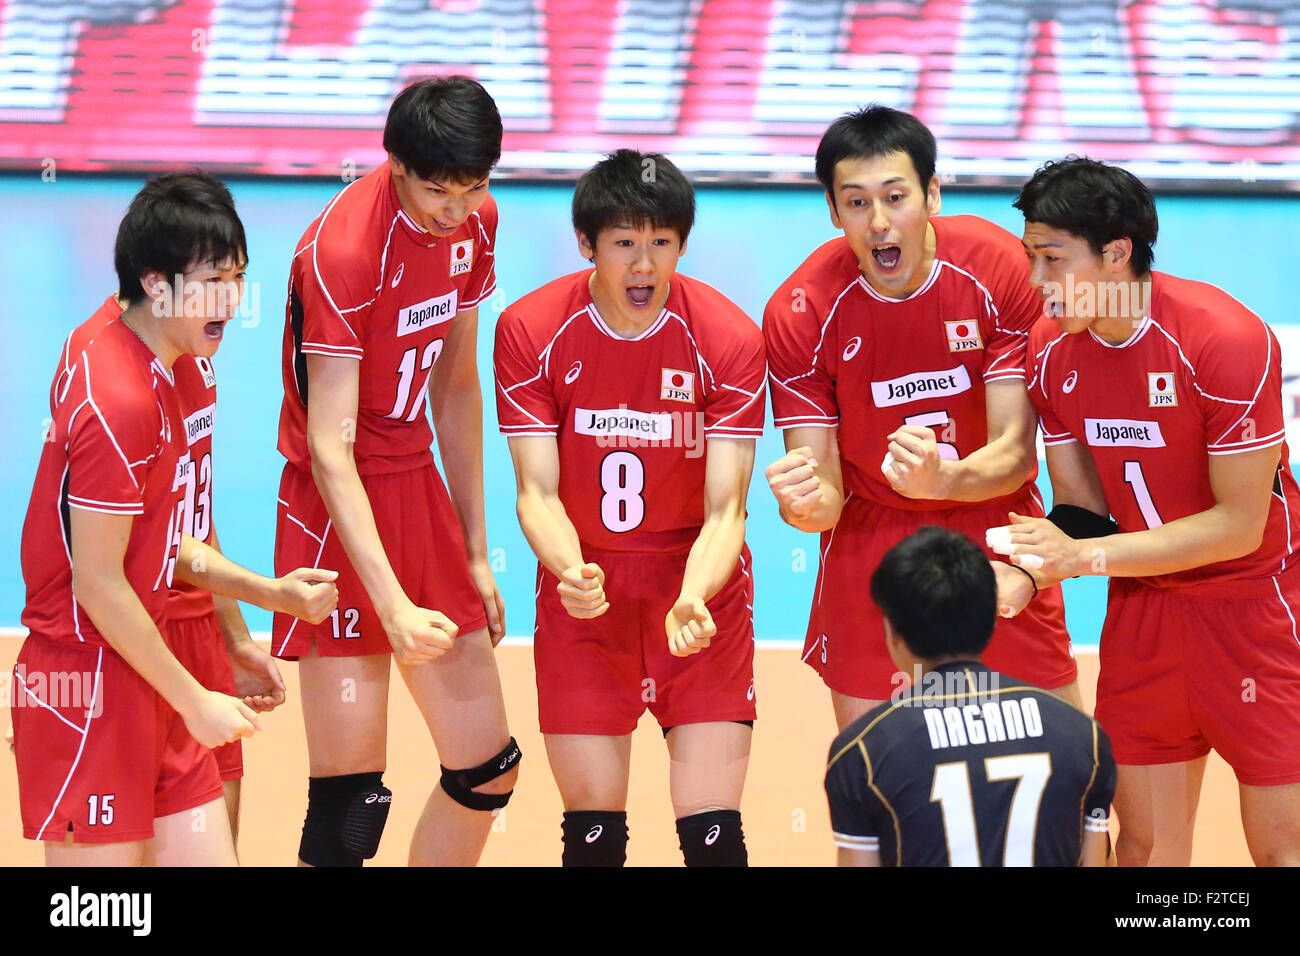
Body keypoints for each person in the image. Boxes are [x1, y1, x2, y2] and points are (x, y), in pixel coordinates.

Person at [13, 173, 337, 866]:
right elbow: (99, 583)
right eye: (214, 281)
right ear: (156, 285)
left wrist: (254, 609)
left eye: (239, 278)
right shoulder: (118, 397)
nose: (232, 299)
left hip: (156, 648)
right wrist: (194, 699)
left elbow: (173, 526)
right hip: (89, 679)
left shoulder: (186, 362)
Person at [1002, 156, 1300, 866]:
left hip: (1257, 613)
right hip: (1143, 618)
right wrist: (1023, 574)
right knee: (1140, 850)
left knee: (1281, 850)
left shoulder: (1222, 339)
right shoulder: (1049, 352)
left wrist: (1085, 559)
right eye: (1030, 258)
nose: (1036, 282)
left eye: (1051, 259)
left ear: (1115, 254)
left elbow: (1237, 525)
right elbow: (1082, 511)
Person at [763, 105, 1078, 733]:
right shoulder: (801, 311)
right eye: (855, 203)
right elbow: (821, 494)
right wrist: (801, 506)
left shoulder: (999, 268)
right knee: (886, 793)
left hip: (996, 528)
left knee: (1067, 786)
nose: (879, 222)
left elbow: (1014, 451)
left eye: (896, 197)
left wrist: (943, 479)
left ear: (931, 194)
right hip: (869, 540)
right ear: (833, 210)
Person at [272, 76, 519, 867]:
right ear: (394, 164)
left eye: (473, 186)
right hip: (334, 502)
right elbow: (329, 444)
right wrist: (393, 604)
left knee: (489, 771)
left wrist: (476, 551)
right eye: (437, 189)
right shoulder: (345, 251)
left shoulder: (475, 222)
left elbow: (454, 382)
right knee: (351, 806)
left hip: (414, 483)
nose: (455, 207)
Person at [494, 150, 766, 866]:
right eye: (624, 243)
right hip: (587, 598)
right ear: (588, 245)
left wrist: (693, 595)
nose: (644, 266)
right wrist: (570, 570)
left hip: (698, 599)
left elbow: (726, 511)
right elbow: (536, 492)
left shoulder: (729, 339)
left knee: (713, 839)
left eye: (661, 243)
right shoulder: (531, 330)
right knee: (592, 839)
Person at [825, 526, 1115, 867]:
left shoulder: (861, 753)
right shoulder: (1084, 737)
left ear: (892, 633)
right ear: (991, 622)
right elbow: (1096, 861)